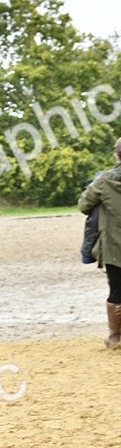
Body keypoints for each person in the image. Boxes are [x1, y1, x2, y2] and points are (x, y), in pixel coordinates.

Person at [79, 138, 121, 349]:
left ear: (116, 155)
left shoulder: (104, 180)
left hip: (114, 246)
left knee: (116, 290)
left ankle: (115, 337)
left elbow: (84, 205)